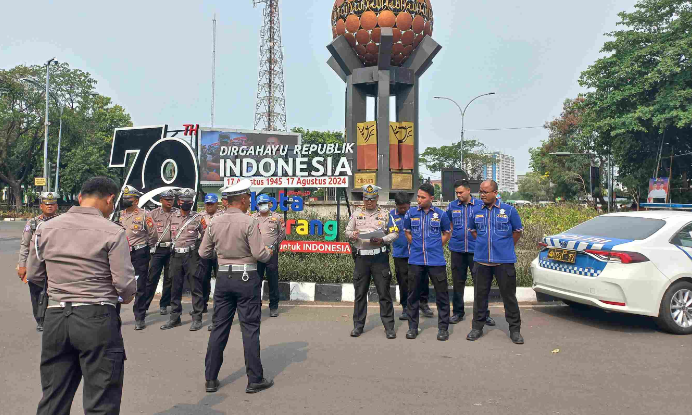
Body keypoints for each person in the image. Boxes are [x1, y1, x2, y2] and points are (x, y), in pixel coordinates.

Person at [27, 176, 136, 414]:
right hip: (96, 317)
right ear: (110, 199)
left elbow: (34, 275)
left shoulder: (45, 228)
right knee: (101, 400)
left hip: (56, 317)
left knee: (53, 398)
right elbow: (125, 285)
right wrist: (125, 297)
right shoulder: (113, 231)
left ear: (79, 197)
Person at [199, 179, 275, 394]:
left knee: (219, 327)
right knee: (249, 328)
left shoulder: (215, 222)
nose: (250, 201)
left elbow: (203, 253)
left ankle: (211, 379)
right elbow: (260, 254)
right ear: (242, 199)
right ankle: (254, 380)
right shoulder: (249, 222)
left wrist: (223, 254)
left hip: (223, 277)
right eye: (249, 198)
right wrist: (269, 252)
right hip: (247, 277)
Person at [467, 180, 525, 345]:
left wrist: (505, 247)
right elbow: (472, 230)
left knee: (509, 297)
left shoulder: (509, 210)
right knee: (480, 297)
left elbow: (517, 231)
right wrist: (484, 245)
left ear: (495, 193)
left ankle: (515, 330)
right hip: (481, 261)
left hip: (504, 262)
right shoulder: (476, 211)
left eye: (486, 192)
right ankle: (477, 328)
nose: (482, 195)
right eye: (481, 192)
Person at [344, 184, 398, 339]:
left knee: (384, 293)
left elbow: (395, 233)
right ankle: (358, 326)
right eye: (366, 199)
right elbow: (347, 231)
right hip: (362, 257)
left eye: (372, 199)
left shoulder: (385, 214)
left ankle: (389, 327)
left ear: (377, 198)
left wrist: (383, 239)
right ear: (363, 199)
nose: (369, 202)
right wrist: (352, 234)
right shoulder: (356, 214)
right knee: (360, 293)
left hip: (379, 258)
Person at [403, 183, 451, 341]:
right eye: (418, 196)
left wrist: (436, 246)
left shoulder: (441, 214)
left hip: (436, 261)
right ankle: (412, 327)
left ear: (432, 198)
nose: (419, 200)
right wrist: (416, 246)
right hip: (416, 260)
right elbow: (407, 232)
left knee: (442, 295)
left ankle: (443, 328)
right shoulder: (411, 213)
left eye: (423, 197)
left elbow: (446, 233)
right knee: (413, 295)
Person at [446, 180, 495, 326]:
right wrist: (454, 234)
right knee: (457, 283)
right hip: (457, 250)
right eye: (457, 193)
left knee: (481, 285)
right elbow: (448, 223)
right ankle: (457, 313)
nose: (459, 195)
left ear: (468, 191)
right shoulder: (452, 206)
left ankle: (483, 314)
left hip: (477, 251)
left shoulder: (480, 205)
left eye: (461, 192)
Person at [161, 188, 206, 331]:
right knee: (175, 287)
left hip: (191, 255)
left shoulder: (198, 218)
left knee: (195, 287)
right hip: (176, 256)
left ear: (192, 202)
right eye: (184, 201)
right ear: (179, 202)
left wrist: (200, 250)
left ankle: (197, 318)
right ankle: (175, 318)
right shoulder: (172, 217)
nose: (186, 203)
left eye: (189, 201)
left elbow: (206, 236)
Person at [16, 191, 60, 332]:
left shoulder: (62, 222)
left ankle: (54, 320)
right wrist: (22, 265)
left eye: (52, 204)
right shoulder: (33, 223)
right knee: (36, 293)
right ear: (41, 206)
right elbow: (24, 245)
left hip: (57, 265)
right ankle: (40, 319)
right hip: (36, 265)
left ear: (57, 206)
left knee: (55, 293)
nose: (49, 206)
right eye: (47, 204)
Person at [116, 186, 157, 330]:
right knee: (118, 284)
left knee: (140, 286)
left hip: (139, 253)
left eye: (129, 199)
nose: (125, 201)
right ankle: (115, 317)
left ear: (136, 200)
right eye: (124, 198)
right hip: (122, 254)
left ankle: (139, 317)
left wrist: (147, 248)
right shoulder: (119, 215)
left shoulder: (145, 215)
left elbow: (153, 235)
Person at [144, 189, 179, 316]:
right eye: (167, 199)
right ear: (161, 200)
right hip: (158, 249)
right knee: (152, 277)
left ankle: (164, 304)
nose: (170, 202)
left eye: (172, 199)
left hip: (172, 249)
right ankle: (145, 305)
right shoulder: (153, 214)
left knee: (169, 278)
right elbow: (147, 230)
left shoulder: (177, 213)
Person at [253, 194, 286, 317]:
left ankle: (274, 306)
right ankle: (256, 306)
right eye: (260, 204)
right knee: (256, 281)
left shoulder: (277, 218)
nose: (263, 206)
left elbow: (282, 233)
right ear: (257, 205)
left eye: (265, 203)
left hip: (272, 254)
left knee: (273, 280)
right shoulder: (253, 218)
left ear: (270, 204)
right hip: (257, 254)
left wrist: (274, 246)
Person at [198, 194, 222, 315]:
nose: (209, 206)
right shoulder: (200, 216)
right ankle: (203, 305)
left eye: (211, 204)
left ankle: (219, 305)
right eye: (207, 204)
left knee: (220, 279)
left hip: (219, 251)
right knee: (203, 279)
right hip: (206, 251)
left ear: (217, 204)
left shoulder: (223, 216)